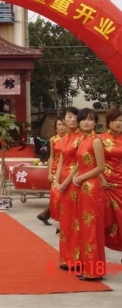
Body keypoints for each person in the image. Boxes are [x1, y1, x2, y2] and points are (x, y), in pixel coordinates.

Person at [72, 108, 106, 280]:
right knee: (85, 228)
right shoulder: (82, 139)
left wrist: (80, 178)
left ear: (95, 123)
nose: (86, 122)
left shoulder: (96, 141)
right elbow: (81, 163)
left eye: (90, 119)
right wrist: (75, 177)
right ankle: (89, 267)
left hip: (92, 188)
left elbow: (100, 167)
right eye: (83, 119)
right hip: (83, 187)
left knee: (92, 228)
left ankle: (94, 271)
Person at [54, 106, 82, 271]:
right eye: (69, 116)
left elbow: (80, 163)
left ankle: (77, 259)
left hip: (76, 181)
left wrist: (66, 182)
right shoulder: (63, 139)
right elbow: (61, 161)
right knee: (65, 221)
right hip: (63, 181)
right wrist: (57, 181)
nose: (72, 119)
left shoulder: (82, 138)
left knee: (76, 220)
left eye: (75, 116)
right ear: (63, 120)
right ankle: (66, 257)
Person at [99, 107, 122, 256]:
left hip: (120, 182)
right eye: (115, 120)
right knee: (105, 218)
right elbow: (94, 162)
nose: (118, 123)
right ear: (108, 122)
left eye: (121, 120)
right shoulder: (100, 139)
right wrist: (101, 179)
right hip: (105, 183)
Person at [37, 117, 66, 226]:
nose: (62, 127)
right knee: (57, 195)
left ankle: (46, 215)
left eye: (63, 124)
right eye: (59, 125)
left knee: (63, 195)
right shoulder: (53, 140)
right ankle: (55, 219)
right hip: (55, 170)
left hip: (67, 169)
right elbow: (51, 157)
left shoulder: (70, 139)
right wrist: (49, 172)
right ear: (56, 127)